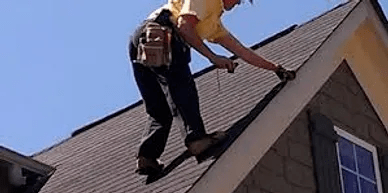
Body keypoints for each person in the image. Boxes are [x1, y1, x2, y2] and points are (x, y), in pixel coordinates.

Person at [129, 0, 295, 175]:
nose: (239, 3)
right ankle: (197, 139)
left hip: (143, 40)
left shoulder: (213, 23)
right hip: (163, 34)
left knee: (159, 107)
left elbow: (242, 51)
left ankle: (147, 157)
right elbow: (184, 26)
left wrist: (276, 68)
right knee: (182, 89)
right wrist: (213, 57)